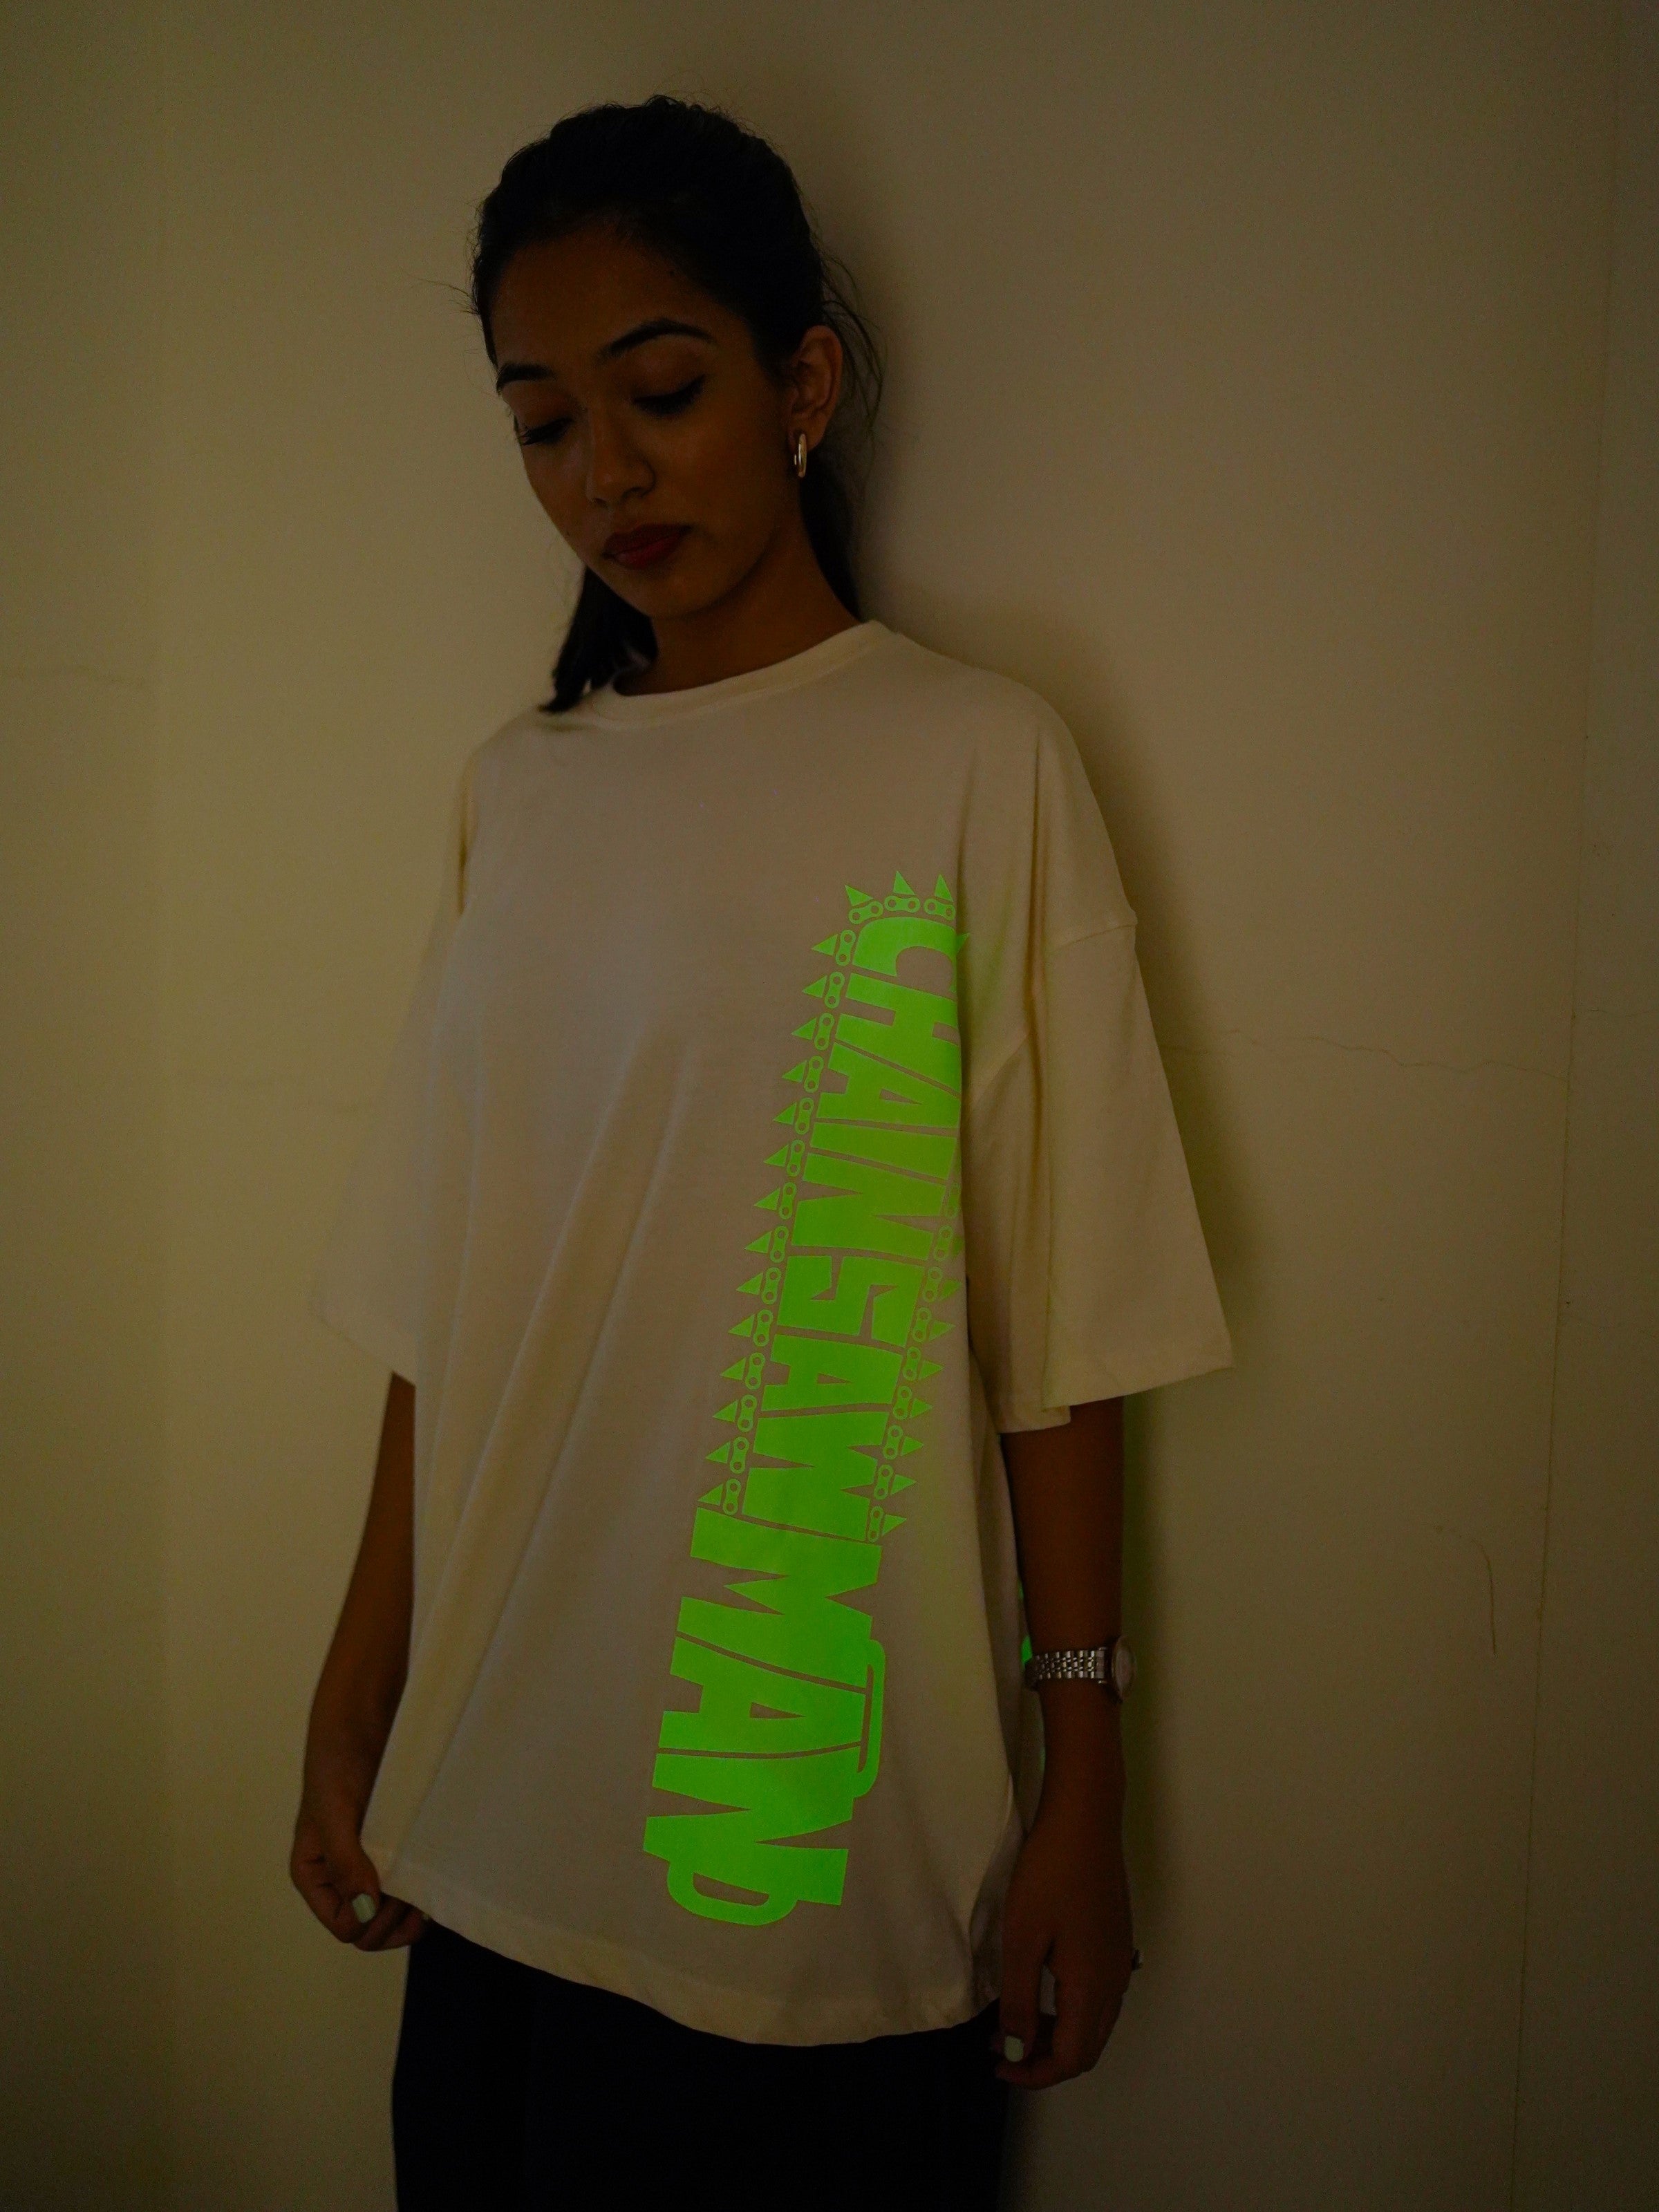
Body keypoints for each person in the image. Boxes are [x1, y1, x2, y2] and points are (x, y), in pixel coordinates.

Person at [291, 93, 1232, 2211]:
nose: (603, 475)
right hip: (492, 1836)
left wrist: (1085, 1776)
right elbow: (451, 1309)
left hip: (814, 1872)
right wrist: (355, 1698)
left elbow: (1058, 1328)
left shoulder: (975, 763)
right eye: (544, 424)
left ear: (801, 384)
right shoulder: (520, 794)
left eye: (660, 392)